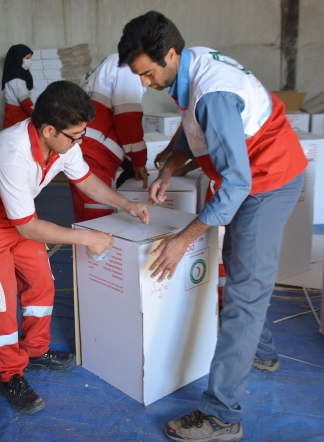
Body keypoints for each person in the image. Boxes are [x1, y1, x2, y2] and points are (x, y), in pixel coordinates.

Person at [118, 11, 308, 442]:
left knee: (243, 294)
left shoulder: (212, 94)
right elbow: (192, 131)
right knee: (243, 269)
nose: (145, 85)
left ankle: (222, 416)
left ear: (169, 55)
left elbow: (237, 183)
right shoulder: (191, 66)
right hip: (247, 180)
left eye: (147, 74)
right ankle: (261, 353)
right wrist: (167, 166)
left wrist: (183, 240)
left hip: (268, 181)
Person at [0, 80, 151, 415]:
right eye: (75, 136)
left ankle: (36, 349)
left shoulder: (65, 143)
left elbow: (85, 180)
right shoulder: (11, 152)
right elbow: (26, 226)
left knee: (41, 283)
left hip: (21, 212)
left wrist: (125, 205)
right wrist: (86, 237)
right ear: (48, 129)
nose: (80, 142)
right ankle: (9, 373)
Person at [72, 53, 149, 222]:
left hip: (89, 148)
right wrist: (139, 161)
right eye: (151, 75)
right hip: (95, 153)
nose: (150, 82)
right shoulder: (130, 68)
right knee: (97, 215)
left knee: (93, 211)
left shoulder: (111, 62)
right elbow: (128, 119)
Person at [2, 44, 35, 129]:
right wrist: (39, 115)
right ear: (18, 58)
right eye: (27, 58)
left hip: (18, 115)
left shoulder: (18, 74)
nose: (29, 61)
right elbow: (25, 101)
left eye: (30, 58)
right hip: (16, 117)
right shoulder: (16, 78)